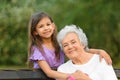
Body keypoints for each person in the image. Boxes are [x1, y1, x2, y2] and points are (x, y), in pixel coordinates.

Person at [28, 12, 112, 80]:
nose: (46, 28)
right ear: (35, 32)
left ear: (53, 26)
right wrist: (72, 76)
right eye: (41, 26)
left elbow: (80, 49)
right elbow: (49, 73)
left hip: (61, 77)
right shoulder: (37, 49)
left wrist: (99, 51)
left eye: (48, 24)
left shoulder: (59, 43)